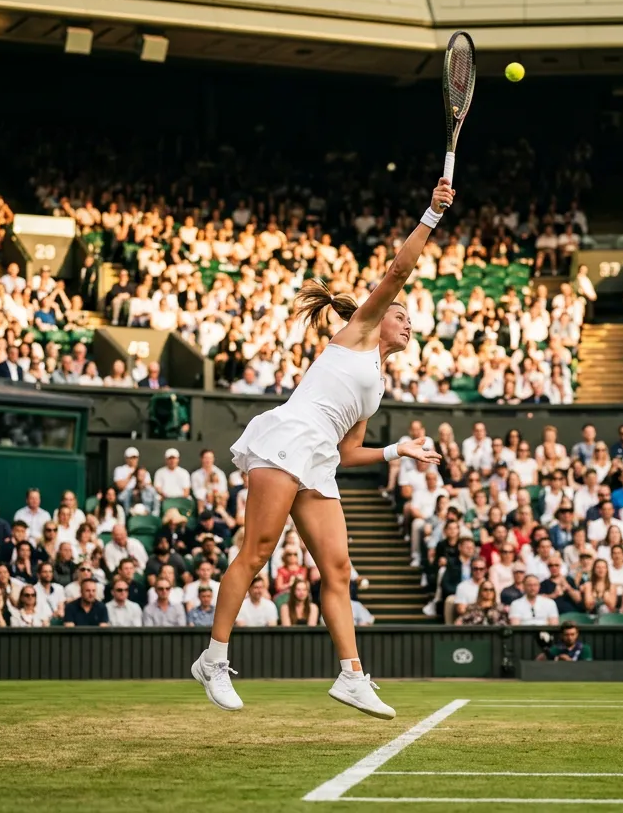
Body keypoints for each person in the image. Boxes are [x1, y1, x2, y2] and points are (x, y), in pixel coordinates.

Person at [190, 178, 453, 720]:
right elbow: (399, 271)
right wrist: (431, 213)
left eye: (409, 319)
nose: (409, 323)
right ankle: (213, 659)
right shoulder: (358, 331)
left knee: (337, 571)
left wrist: (398, 450)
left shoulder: (375, 388)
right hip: (287, 440)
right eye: (402, 316)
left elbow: (345, 453)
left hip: (317, 459)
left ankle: (352, 676)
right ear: (380, 319)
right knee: (258, 551)